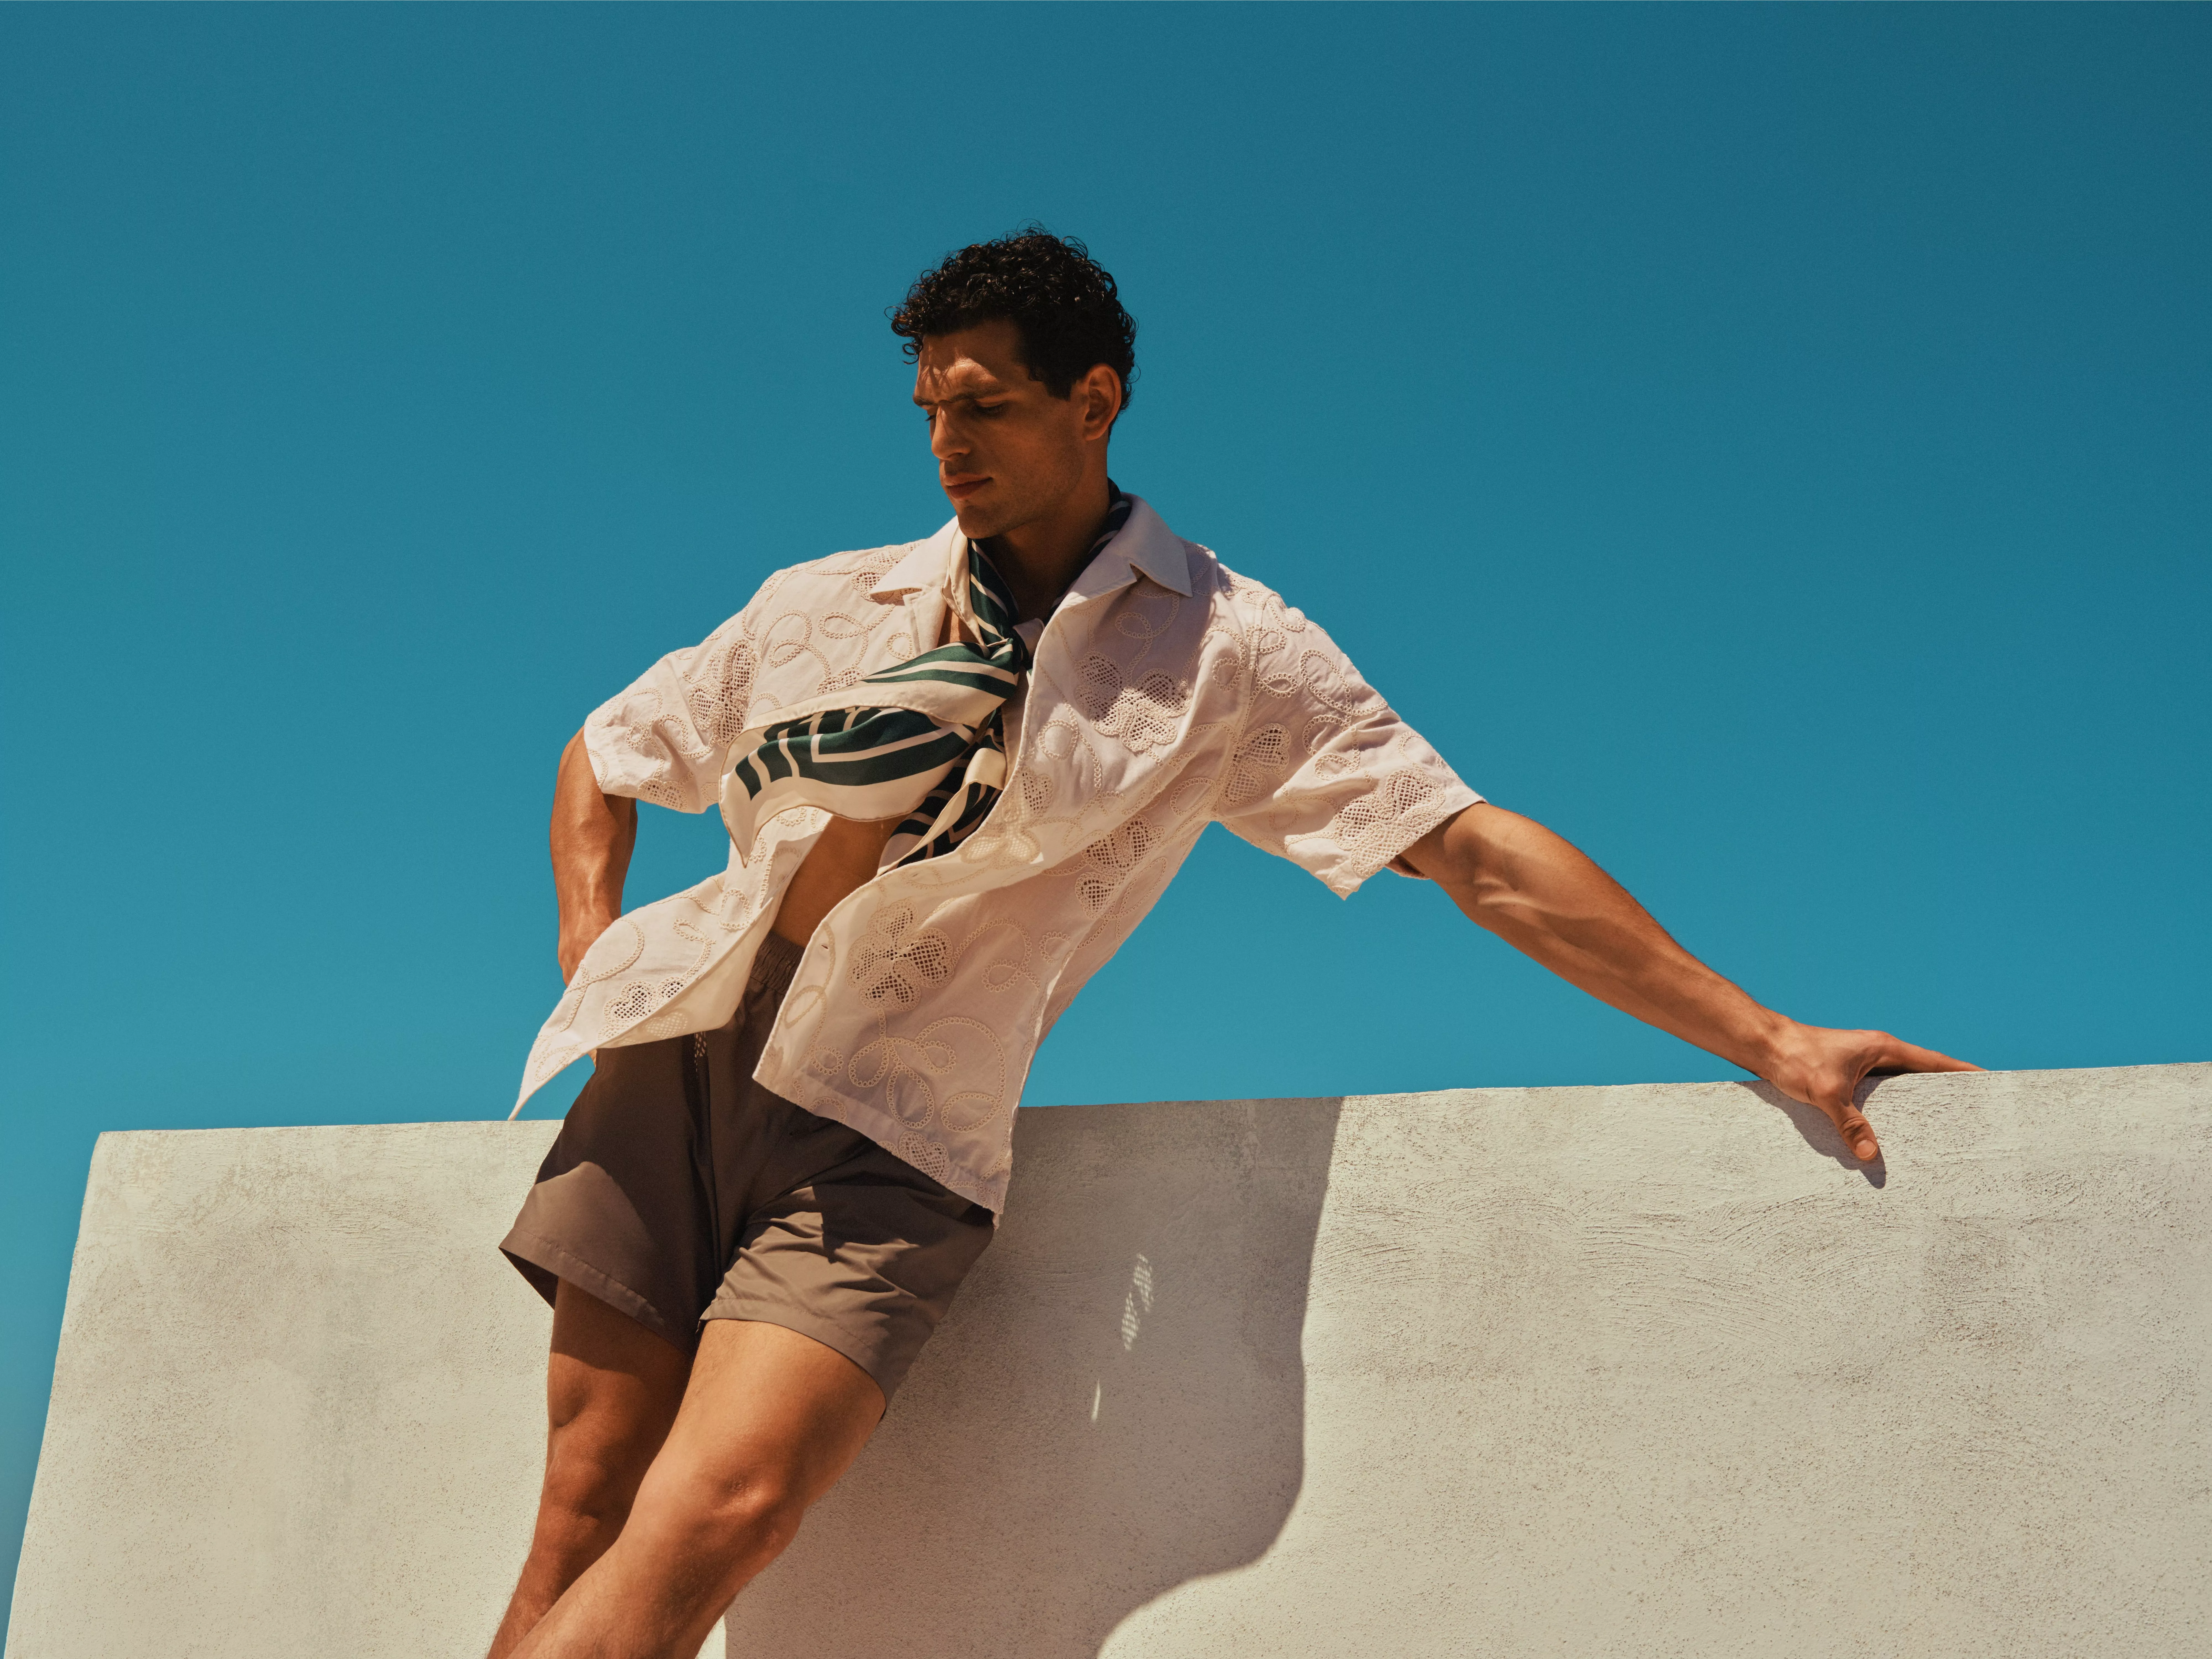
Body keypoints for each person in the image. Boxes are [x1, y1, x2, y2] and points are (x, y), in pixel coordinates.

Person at [486, 230, 1975, 1658]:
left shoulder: (1225, 650)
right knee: (581, 1516)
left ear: (1095, 401)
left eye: (985, 405)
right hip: (680, 1069)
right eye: (930, 406)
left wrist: (1769, 1038)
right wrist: (592, 951)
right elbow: (607, 752)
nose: (947, 442)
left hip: (893, 1130)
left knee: (720, 1516)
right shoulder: (827, 601)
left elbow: (1466, 849)